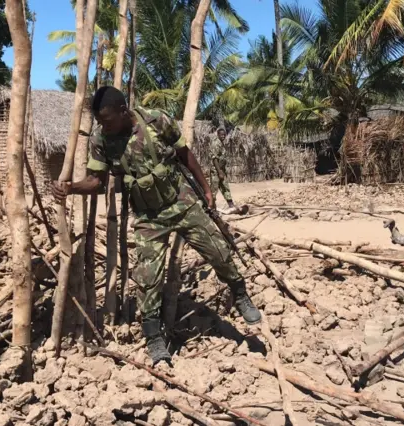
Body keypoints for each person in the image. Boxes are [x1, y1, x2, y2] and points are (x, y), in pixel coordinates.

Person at [51, 86, 261, 365]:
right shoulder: (101, 139)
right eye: (101, 121)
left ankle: (240, 294)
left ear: (124, 111)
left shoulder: (156, 120)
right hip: (149, 217)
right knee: (148, 279)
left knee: (218, 252)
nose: (104, 126)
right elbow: (97, 181)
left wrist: (206, 189)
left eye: (109, 119)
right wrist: (72, 187)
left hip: (181, 201)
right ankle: (154, 339)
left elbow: (185, 153)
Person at [209, 127, 235, 210]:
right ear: (218, 135)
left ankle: (231, 205)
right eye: (221, 135)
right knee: (214, 189)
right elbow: (214, 159)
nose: (223, 136)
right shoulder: (216, 144)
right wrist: (219, 171)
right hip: (216, 171)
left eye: (224, 135)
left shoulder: (222, 143)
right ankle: (211, 207)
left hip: (221, 170)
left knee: (225, 186)